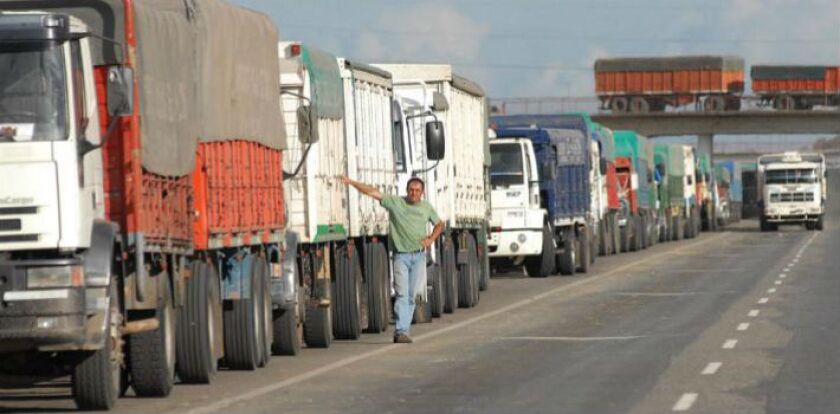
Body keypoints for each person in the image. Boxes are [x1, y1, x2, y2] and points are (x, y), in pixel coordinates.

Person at [341, 175, 444, 344]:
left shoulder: (426, 207)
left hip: (418, 256)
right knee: (402, 293)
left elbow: (440, 224)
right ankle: (401, 331)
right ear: (406, 190)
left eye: (417, 191)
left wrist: (431, 239)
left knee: (411, 295)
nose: (414, 193)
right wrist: (352, 182)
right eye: (411, 190)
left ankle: (403, 329)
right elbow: (372, 192)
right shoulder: (396, 203)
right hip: (400, 256)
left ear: (422, 193)